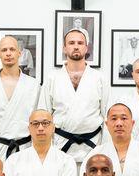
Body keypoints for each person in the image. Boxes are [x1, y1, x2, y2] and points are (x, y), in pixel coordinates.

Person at [39, 28, 108, 168]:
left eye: (80, 43)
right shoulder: (52, 78)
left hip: (93, 146)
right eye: (71, 43)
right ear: (64, 48)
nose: (76, 46)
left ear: (86, 47)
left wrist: (104, 149)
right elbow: (43, 116)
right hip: (60, 147)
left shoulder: (99, 78)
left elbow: (107, 117)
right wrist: (46, 149)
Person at [0, 36, 40, 159]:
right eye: (4, 50)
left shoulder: (33, 85)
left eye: (12, 49)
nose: (8, 53)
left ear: (19, 53)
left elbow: (38, 122)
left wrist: (37, 151)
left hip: (25, 148)